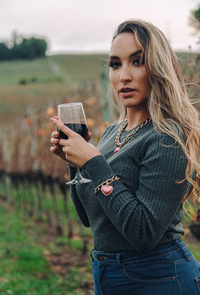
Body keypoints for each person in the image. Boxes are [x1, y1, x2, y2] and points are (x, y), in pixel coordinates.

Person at [50, 19, 200, 295]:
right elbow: (90, 219)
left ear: (158, 67)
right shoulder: (111, 133)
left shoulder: (167, 136)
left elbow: (143, 232)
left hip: (160, 279)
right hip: (109, 276)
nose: (123, 76)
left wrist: (93, 163)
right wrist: (76, 164)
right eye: (115, 64)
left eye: (137, 61)